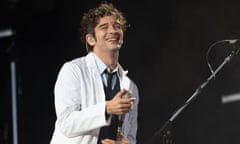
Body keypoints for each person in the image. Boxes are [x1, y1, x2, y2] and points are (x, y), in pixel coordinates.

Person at [49, 1, 139, 144]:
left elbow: (130, 136)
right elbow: (66, 123)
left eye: (117, 26)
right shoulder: (73, 71)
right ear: (90, 39)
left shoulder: (130, 87)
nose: (113, 31)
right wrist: (107, 108)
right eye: (104, 27)